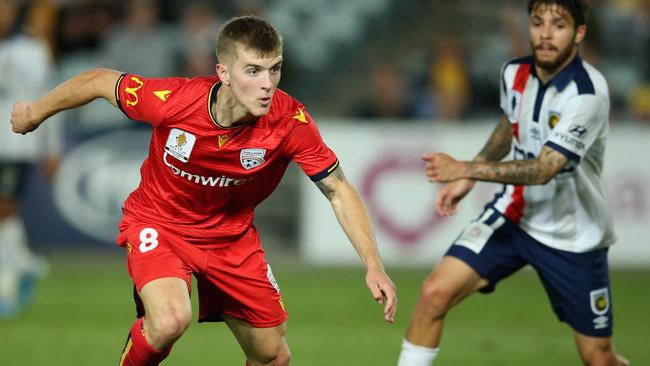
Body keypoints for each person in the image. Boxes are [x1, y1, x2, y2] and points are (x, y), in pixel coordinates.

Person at [10, 15, 396, 365]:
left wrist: (373, 263)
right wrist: (34, 112)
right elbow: (97, 80)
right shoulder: (174, 102)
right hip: (160, 224)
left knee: (273, 356)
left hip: (231, 240)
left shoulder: (290, 121)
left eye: (275, 70)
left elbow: (338, 190)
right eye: (254, 71)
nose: (267, 85)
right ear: (223, 73)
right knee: (169, 321)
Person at [397, 1, 628, 365]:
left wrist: (467, 170)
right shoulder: (514, 73)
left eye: (559, 25)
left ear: (579, 34)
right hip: (515, 215)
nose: (546, 34)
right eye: (537, 23)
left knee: (598, 357)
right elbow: (511, 123)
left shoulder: (587, 94)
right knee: (434, 293)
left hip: (574, 235)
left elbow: (544, 169)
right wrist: (474, 170)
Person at [0, 0, 59, 317]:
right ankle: (26, 263)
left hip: (15, 143)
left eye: (6, 9)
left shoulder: (32, 51)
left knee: (5, 209)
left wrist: (52, 148)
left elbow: (47, 97)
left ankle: (8, 280)